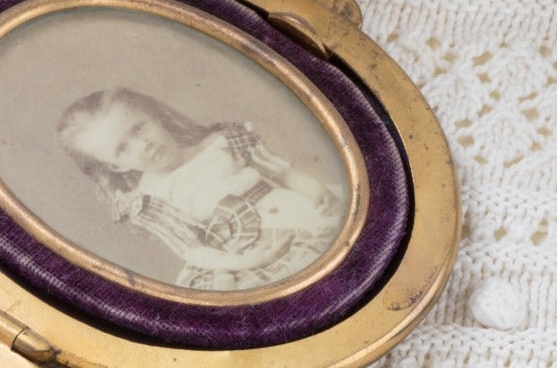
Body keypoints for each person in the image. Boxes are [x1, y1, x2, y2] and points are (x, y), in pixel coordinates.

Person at [52, 86, 342, 291]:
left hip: (295, 215)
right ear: (116, 166)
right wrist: (245, 261)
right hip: (241, 254)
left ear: (155, 117)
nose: (144, 144)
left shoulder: (223, 141)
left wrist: (316, 191)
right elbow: (192, 249)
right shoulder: (150, 200)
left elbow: (284, 171)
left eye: (138, 128)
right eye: (123, 149)